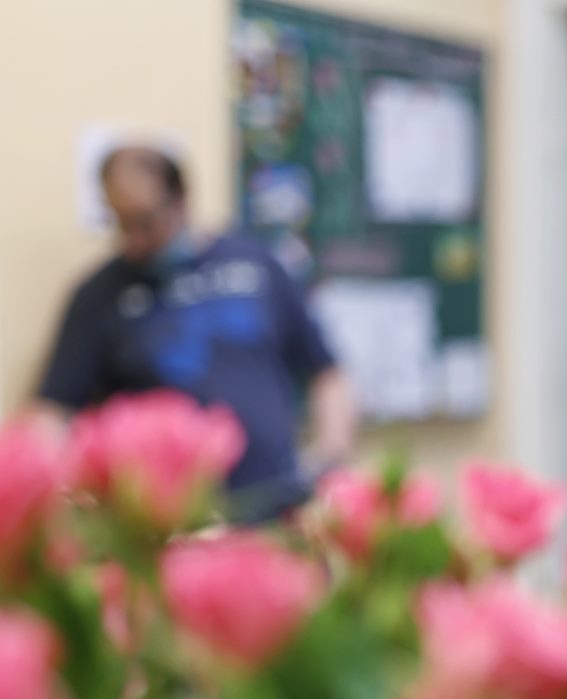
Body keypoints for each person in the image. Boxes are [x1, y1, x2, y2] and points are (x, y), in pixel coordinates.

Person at [25, 146, 356, 521]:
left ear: (180, 200)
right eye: (120, 222)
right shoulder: (99, 296)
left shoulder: (255, 264)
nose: (133, 238)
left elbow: (327, 372)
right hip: (168, 523)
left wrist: (329, 455)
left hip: (278, 508)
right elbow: (51, 412)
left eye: (145, 221)